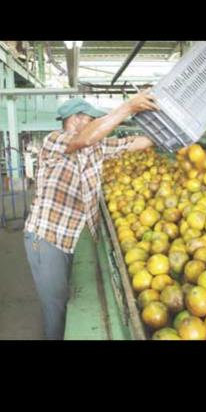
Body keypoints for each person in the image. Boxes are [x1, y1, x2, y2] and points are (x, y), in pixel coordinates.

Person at [24, 91, 159, 340]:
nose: (96, 125)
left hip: (69, 237)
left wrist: (169, 133)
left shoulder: (94, 146)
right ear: (74, 119)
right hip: (46, 240)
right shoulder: (54, 141)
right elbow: (83, 140)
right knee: (56, 310)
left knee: (65, 299)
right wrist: (127, 107)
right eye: (90, 119)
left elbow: (132, 143)